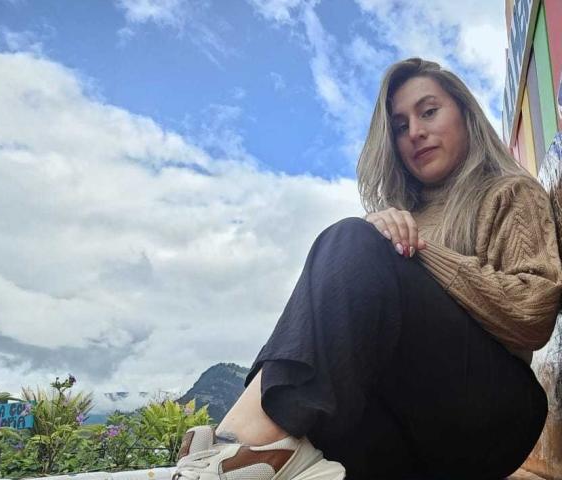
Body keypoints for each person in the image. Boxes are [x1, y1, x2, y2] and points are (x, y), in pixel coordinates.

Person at [171, 58, 562, 480]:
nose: (415, 132)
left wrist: (418, 250)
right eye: (399, 126)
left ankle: (248, 446)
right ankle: (239, 445)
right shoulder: (404, 216)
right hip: (408, 431)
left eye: (429, 112)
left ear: (466, 114)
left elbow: (533, 314)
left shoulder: (508, 192)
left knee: (350, 237)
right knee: (347, 252)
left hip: (492, 421)